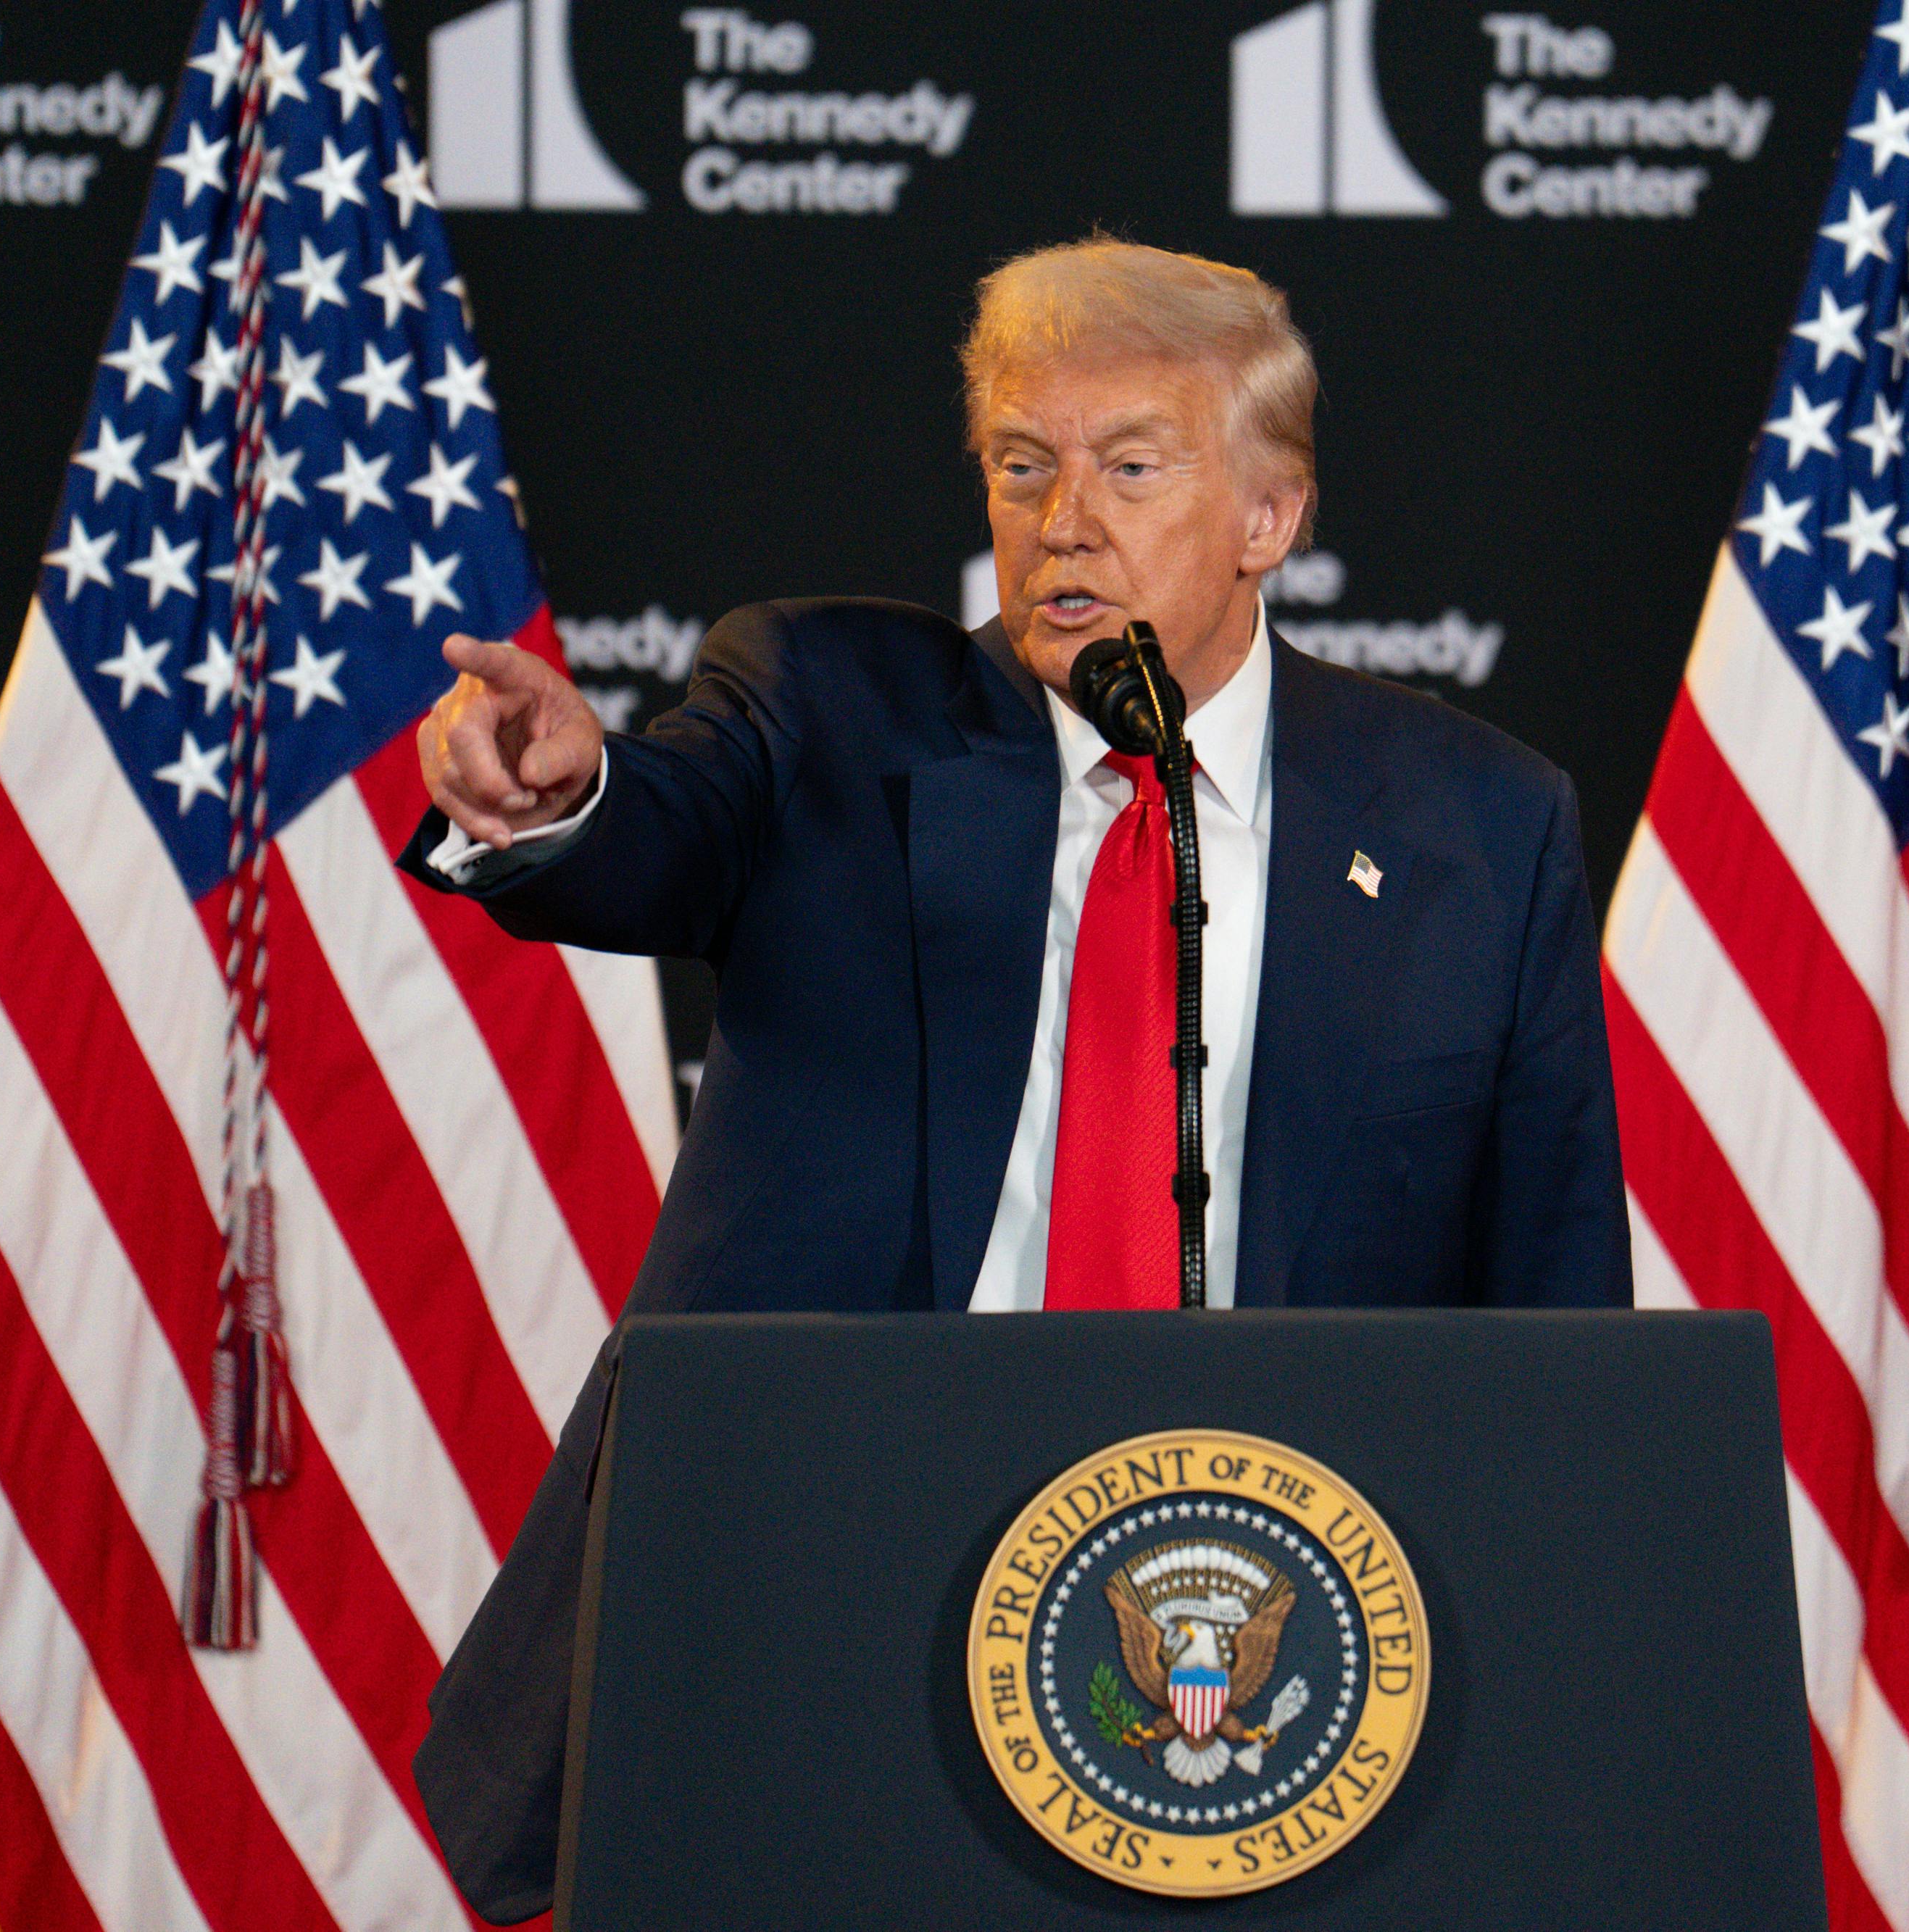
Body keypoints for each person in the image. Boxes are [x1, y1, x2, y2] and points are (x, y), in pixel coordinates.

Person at [402, 238, 1632, 1920]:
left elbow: (1552, 1320)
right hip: (835, 1585)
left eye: (1132, 467)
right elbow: (652, 836)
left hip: (1268, 1659)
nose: (1065, 520)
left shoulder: (1475, 824)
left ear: (1265, 517)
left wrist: (1551, 1746)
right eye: (1023, 466)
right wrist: (560, 797)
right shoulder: (824, 709)